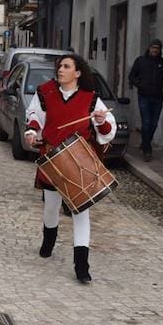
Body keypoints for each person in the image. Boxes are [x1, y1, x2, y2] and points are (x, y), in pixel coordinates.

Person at [24, 53, 116, 284]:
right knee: (51, 207)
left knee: (80, 212)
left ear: (77, 73)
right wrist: (32, 132)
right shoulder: (46, 92)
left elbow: (107, 133)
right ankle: (48, 242)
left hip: (79, 161)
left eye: (66, 66)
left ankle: (82, 266)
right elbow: (35, 116)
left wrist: (101, 121)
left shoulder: (91, 99)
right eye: (59, 66)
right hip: (52, 158)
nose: (60, 70)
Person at [128, 39, 163, 161]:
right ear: (149, 48)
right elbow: (132, 76)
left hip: (158, 96)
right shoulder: (141, 61)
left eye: (157, 48)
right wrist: (140, 84)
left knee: (154, 123)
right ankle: (147, 149)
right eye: (153, 47)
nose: (155, 50)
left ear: (160, 50)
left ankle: (145, 142)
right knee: (146, 122)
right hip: (144, 96)